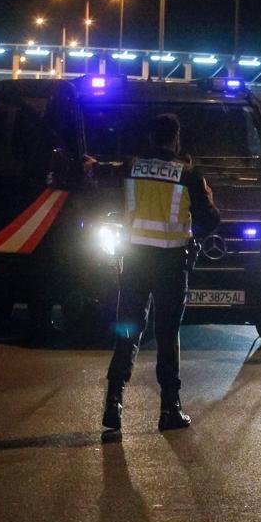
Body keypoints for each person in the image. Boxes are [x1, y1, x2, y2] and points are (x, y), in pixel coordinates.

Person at [103, 114, 220, 432]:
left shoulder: (131, 167)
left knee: (128, 329)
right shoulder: (189, 174)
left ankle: (113, 401)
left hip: (136, 260)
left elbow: (105, 188)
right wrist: (192, 234)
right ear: (176, 138)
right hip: (170, 263)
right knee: (167, 336)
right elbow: (211, 218)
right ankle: (170, 409)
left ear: (152, 138)